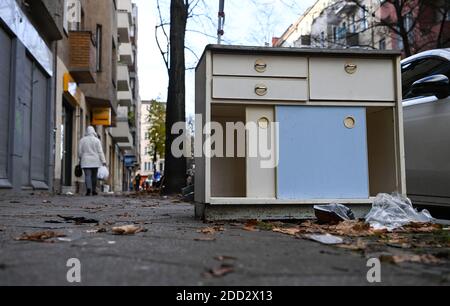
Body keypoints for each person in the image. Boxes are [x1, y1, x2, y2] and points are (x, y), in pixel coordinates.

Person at [78, 126, 107, 196]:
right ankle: (94, 190)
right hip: (95, 161)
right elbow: (100, 151)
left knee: (87, 175)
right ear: (93, 132)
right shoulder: (97, 140)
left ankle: (88, 189)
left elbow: (79, 152)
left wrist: (80, 158)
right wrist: (103, 160)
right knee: (94, 176)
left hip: (85, 161)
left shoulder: (82, 140)